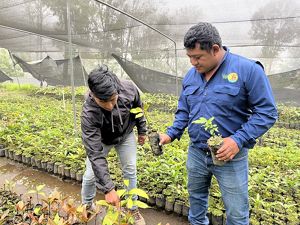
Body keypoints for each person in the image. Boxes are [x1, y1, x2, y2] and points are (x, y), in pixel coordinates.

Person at [159, 22, 278, 225]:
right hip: (197, 153)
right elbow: (184, 111)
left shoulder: (248, 70)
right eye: (189, 57)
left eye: (197, 57)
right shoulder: (191, 76)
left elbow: (267, 112)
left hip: (230, 156)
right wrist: (170, 134)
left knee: (237, 213)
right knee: (196, 204)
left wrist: (237, 140)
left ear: (215, 49)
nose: (193, 63)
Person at [81, 65, 147, 225]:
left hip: (125, 135)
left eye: (113, 99)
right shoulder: (89, 114)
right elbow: (95, 153)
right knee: (90, 175)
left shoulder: (129, 89)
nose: (110, 106)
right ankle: (87, 206)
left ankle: (132, 208)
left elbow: (138, 109)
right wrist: (108, 189)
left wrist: (142, 130)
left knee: (130, 169)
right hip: (102, 140)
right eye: (103, 101)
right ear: (93, 94)